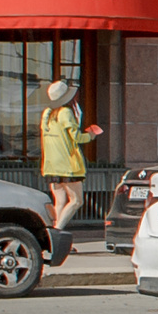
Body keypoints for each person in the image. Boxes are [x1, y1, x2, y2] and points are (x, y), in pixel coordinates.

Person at [38, 78, 102, 231]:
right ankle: (57, 232)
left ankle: (55, 235)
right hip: (68, 164)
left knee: (59, 201)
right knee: (76, 200)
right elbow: (77, 137)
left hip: (51, 164)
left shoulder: (47, 113)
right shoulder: (65, 112)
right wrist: (91, 135)